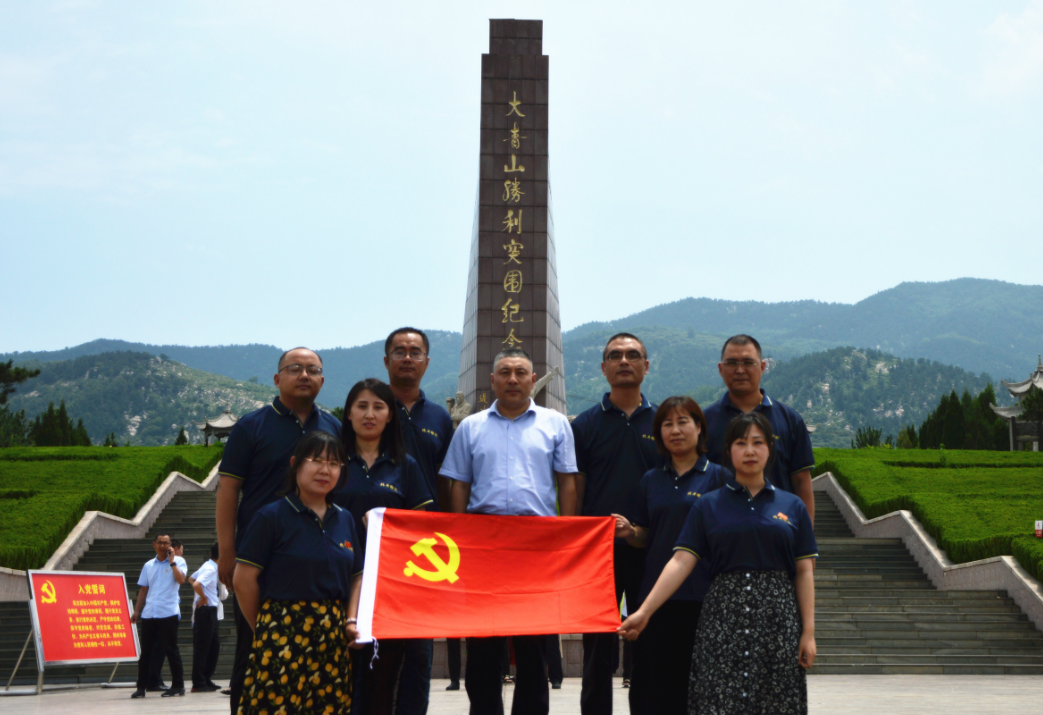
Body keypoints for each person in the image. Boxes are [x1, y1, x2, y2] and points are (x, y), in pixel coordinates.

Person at [618, 412, 818, 715]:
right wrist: (645, 611)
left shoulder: (792, 506)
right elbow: (681, 561)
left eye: (757, 443)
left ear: (770, 449)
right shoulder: (708, 505)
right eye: (741, 443)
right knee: (719, 699)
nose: (749, 451)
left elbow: (804, 571)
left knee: (777, 700)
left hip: (778, 619)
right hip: (722, 618)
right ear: (729, 451)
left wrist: (808, 631)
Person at [441, 347, 578, 715]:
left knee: (532, 646)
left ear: (534, 380)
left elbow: (567, 482)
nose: (513, 379)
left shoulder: (555, 423)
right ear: (492, 380)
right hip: (483, 546)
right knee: (484, 644)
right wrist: (462, 540)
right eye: (505, 372)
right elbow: (459, 486)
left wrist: (565, 535)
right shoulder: (471, 426)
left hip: (536, 546)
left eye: (521, 372)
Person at [216, 347, 342, 713]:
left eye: (313, 369)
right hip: (261, 559)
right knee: (253, 652)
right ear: (277, 378)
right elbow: (228, 490)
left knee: (316, 662)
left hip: (316, 559)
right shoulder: (251, 426)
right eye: (295, 369)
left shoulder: (332, 426)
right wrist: (227, 551)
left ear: (322, 379)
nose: (304, 375)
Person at [612, 396, 730, 714]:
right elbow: (646, 536)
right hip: (655, 597)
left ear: (699, 427)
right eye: (667, 424)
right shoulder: (652, 479)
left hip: (702, 596)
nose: (675, 430)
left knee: (695, 681)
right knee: (650, 681)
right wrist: (629, 532)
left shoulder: (719, 478)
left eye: (682, 422)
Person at [233, 430, 363, 715]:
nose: (325, 470)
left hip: (331, 636)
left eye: (334, 463)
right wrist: (267, 626)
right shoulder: (271, 516)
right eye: (316, 460)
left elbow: (357, 576)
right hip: (280, 633)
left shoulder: (345, 519)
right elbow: (243, 581)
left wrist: (351, 617)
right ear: (295, 464)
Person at [568, 332, 659, 715]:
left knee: (649, 645)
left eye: (632, 355)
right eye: (615, 356)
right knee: (596, 650)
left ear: (646, 366)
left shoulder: (664, 422)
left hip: (652, 549)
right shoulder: (585, 425)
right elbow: (574, 488)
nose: (624, 361)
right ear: (603, 367)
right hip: (597, 553)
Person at [330, 377, 433, 714]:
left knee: (387, 674)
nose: (369, 414)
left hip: (393, 587)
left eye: (378, 407)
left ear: (391, 415)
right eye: (361, 406)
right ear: (348, 414)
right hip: (338, 582)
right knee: (341, 675)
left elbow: (423, 529)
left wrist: (388, 528)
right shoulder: (332, 463)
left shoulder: (406, 466)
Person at [383, 327, 455, 710]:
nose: (407, 357)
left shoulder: (439, 418)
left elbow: (447, 481)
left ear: (427, 362)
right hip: (376, 546)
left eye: (415, 352)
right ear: (386, 361)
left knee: (418, 653)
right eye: (399, 351)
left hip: (426, 549)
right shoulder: (371, 407)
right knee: (375, 651)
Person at [703, 334, 816, 523]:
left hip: (778, 530)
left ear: (763, 367)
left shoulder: (789, 420)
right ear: (720, 369)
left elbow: (801, 481)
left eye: (748, 362)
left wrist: (806, 536)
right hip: (720, 532)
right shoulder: (704, 422)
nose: (740, 370)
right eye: (732, 363)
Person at [130, 534, 187, 698]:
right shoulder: (148, 565)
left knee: (171, 650)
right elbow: (143, 589)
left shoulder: (179, 561)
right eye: (160, 543)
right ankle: (141, 687)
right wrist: (136, 610)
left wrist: (172, 561)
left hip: (168, 612)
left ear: (171, 546)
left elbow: (181, 580)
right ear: (154, 545)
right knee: (146, 652)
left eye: (166, 543)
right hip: (149, 613)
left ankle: (178, 686)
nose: (163, 545)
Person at [189, 542, 223, 693]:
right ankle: (198, 682)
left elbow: (191, 578)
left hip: (211, 611)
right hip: (205, 611)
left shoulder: (209, 566)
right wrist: (203, 597)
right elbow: (196, 583)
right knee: (203, 648)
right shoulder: (210, 569)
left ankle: (205, 677)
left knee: (213, 646)